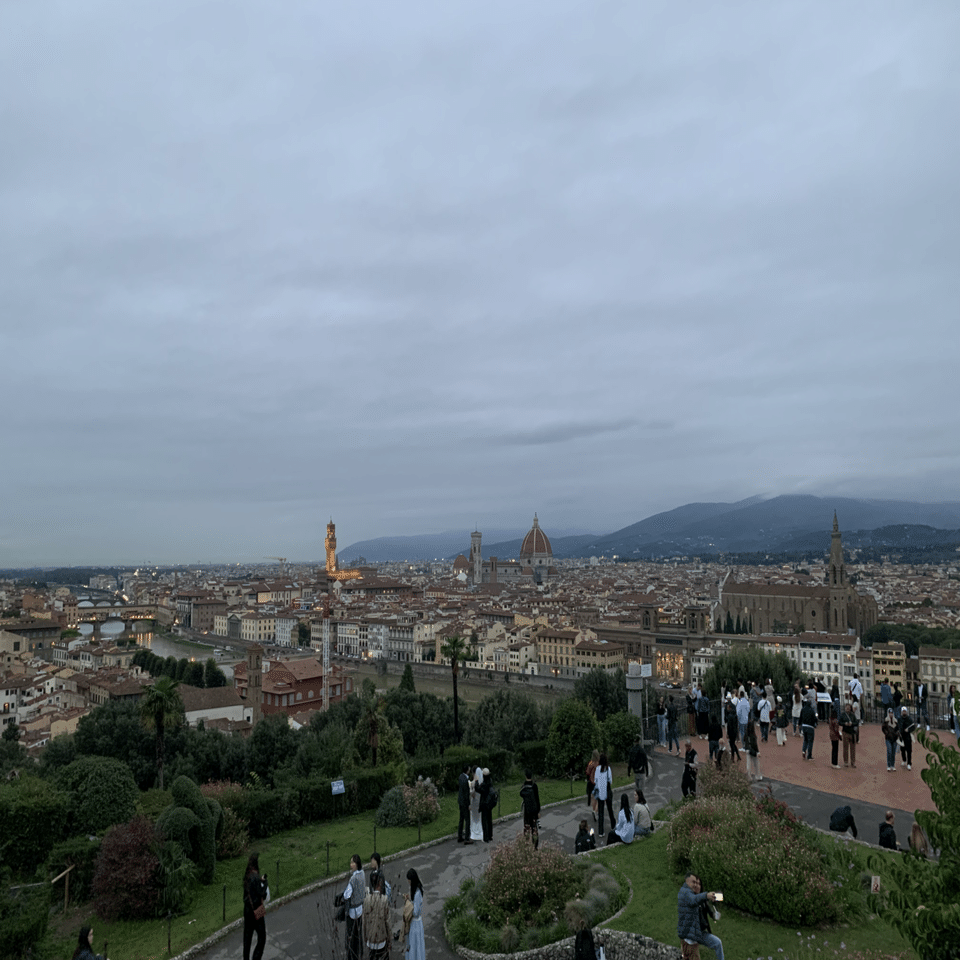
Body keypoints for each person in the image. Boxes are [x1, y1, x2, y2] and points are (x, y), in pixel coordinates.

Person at [677, 873, 724, 960]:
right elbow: (693, 900)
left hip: (699, 932)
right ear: (687, 882)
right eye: (694, 883)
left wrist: (715, 915)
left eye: (698, 883)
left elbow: (710, 912)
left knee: (717, 943)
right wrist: (706, 895)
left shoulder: (702, 900)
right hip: (690, 936)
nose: (696, 885)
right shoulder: (686, 894)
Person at [243, 852, 268, 960]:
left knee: (247, 938)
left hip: (247, 910)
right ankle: (256, 957)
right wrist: (265, 883)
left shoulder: (247, 876)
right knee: (262, 937)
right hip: (257, 910)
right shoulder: (256, 877)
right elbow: (262, 893)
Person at [342, 854, 366, 960]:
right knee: (358, 932)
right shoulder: (363, 874)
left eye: (353, 863)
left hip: (352, 910)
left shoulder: (353, 879)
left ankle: (352, 954)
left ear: (357, 864)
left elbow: (347, 895)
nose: (351, 865)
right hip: (360, 908)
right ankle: (360, 951)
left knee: (351, 935)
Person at [365, 871, 393, 960]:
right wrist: (389, 939)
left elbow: (364, 922)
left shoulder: (366, 899)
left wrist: (366, 937)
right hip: (381, 940)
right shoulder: (384, 900)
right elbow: (388, 922)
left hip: (370, 940)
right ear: (380, 883)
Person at [403, 868, 425, 960]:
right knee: (415, 945)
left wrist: (408, 903)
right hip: (415, 923)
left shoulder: (417, 893)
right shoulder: (416, 890)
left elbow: (415, 912)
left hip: (415, 924)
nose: (408, 882)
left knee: (415, 945)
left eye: (409, 880)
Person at [520, 768, 541, 849]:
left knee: (526, 827)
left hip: (527, 810)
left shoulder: (524, 786)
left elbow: (522, 795)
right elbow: (537, 799)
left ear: (525, 776)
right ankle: (535, 845)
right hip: (534, 810)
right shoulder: (534, 786)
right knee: (534, 828)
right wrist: (538, 811)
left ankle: (526, 844)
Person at [594, 753, 614, 835]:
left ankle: (600, 832)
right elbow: (610, 781)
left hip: (600, 792)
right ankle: (613, 825)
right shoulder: (608, 769)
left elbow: (595, 781)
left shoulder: (597, 769)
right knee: (610, 809)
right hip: (607, 791)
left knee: (601, 812)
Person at [840, 698, 858, 768]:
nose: (847, 709)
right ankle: (846, 761)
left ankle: (853, 762)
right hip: (845, 732)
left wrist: (851, 723)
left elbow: (856, 722)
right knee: (845, 747)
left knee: (853, 748)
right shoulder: (843, 715)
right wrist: (845, 723)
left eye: (849, 708)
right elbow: (840, 722)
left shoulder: (853, 715)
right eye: (846, 707)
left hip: (852, 733)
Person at [478, 766, 495, 842]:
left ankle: (486, 837)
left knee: (484, 821)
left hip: (484, 804)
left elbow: (479, 789)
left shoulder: (484, 784)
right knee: (489, 819)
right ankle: (490, 835)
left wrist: (475, 783)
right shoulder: (490, 782)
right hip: (489, 804)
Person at [457, 765, 472, 844]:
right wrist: (469, 804)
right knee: (467, 820)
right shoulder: (466, 780)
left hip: (460, 801)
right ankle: (467, 838)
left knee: (461, 819)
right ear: (467, 771)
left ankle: (459, 836)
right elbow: (466, 794)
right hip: (465, 802)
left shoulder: (460, 777)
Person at [724, 697, 740, 763]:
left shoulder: (730, 716)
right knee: (733, 744)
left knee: (732, 744)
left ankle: (733, 758)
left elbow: (729, 726)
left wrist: (727, 733)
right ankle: (738, 756)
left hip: (731, 732)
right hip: (735, 731)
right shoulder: (735, 715)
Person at [898, 707, 915, 771]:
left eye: (905, 711)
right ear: (901, 712)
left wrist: (908, 730)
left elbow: (913, 727)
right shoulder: (899, 719)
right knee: (902, 749)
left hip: (908, 737)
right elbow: (898, 726)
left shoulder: (909, 719)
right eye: (903, 711)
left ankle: (909, 763)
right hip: (901, 736)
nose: (904, 712)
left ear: (906, 712)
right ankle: (904, 760)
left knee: (909, 751)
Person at [469, 767, 484, 841]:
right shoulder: (482, 782)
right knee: (479, 816)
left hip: (475, 801)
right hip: (480, 800)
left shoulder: (474, 782)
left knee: (474, 816)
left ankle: (475, 831)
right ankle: (480, 830)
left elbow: (472, 793)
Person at [586, 748, 599, 817]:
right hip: (597, 782)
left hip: (591, 781)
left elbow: (587, 772)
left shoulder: (590, 763)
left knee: (592, 796)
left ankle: (593, 809)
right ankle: (596, 810)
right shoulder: (599, 763)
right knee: (597, 797)